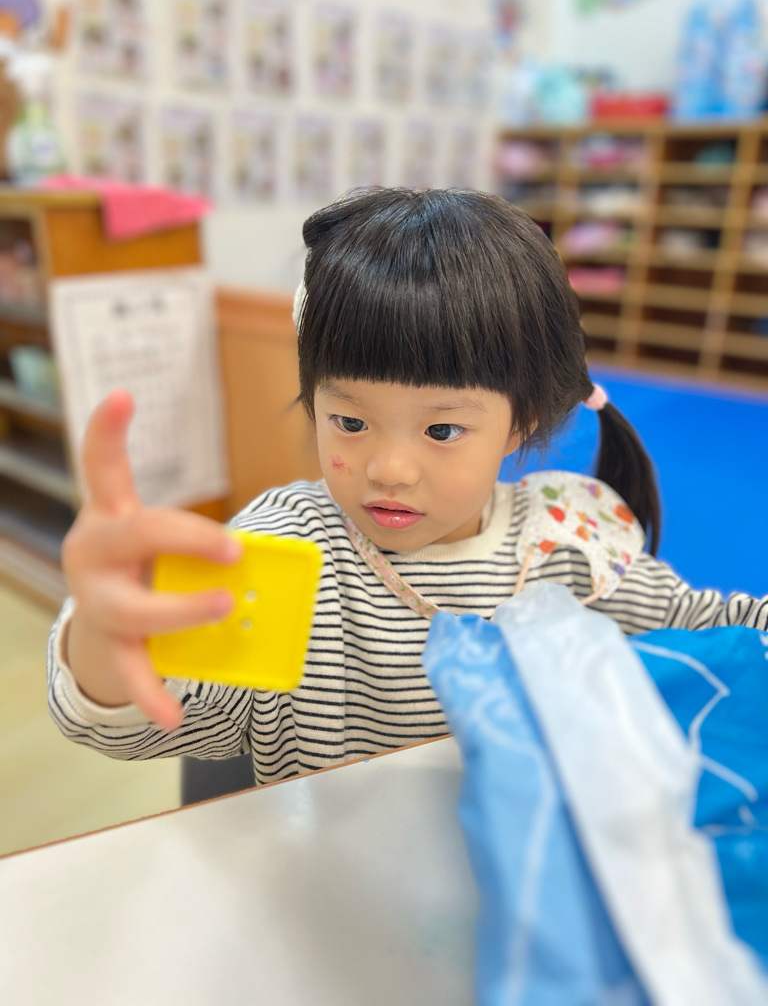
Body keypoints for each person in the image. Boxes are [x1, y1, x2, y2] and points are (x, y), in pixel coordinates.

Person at [48, 187, 768, 785]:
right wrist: (106, 642)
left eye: (442, 429)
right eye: (350, 421)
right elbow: (167, 721)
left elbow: (715, 625)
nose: (389, 468)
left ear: (520, 425)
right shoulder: (288, 548)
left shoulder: (568, 541)